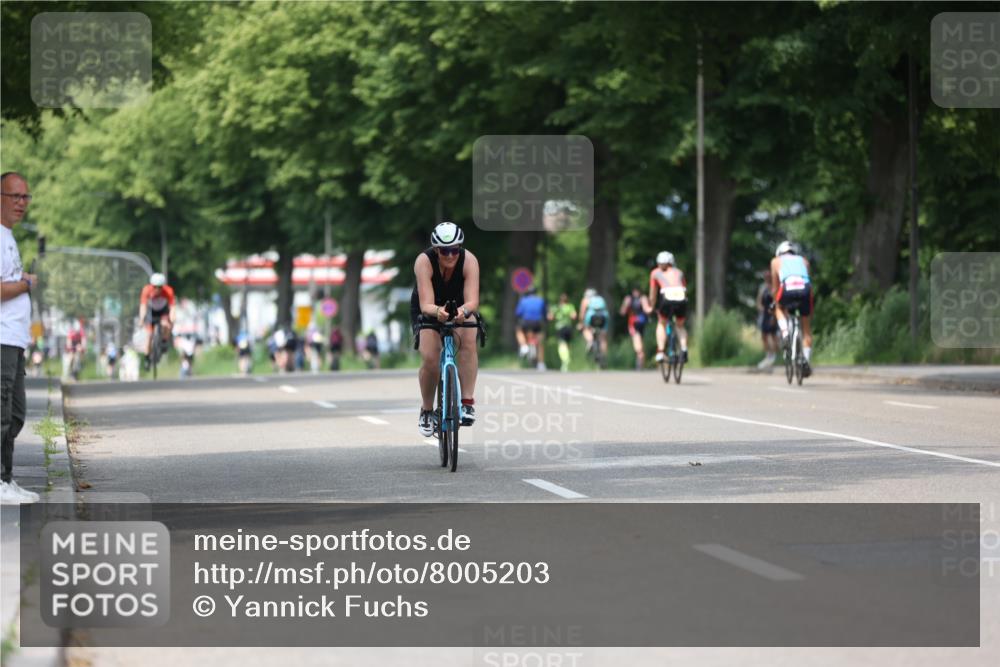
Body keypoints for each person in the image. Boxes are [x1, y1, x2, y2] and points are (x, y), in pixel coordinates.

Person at [410, 222, 480, 437]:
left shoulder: (469, 261)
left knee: (468, 342)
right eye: (444, 251)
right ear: (436, 249)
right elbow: (426, 305)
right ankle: (427, 410)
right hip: (430, 306)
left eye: (454, 250)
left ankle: (466, 402)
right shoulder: (424, 261)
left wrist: (463, 311)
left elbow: (472, 302)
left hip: (461, 306)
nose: (450, 256)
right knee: (430, 358)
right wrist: (438, 311)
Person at [0, 171, 40, 503]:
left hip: (14, 339)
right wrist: (26, 284)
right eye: (14, 196)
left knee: (15, 414)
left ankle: (5, 478)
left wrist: (20, 278)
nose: (21, 203)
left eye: (25, 197)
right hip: (1, 339)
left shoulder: (8, 237)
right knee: (1, 414)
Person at [771, 240, 814, 376]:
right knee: (806, 330)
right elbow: (808, 281)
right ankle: (805, 360)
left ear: (779, 253)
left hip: (787, 288)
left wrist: (774, 303)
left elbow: (775, 287)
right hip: (805, 290)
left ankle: (785, 333)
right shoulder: (804, 261)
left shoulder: (776, 261)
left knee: (778, 308)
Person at [649, 251, 688, 364]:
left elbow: (653, 294)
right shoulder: (679, 272)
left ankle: (661, 352)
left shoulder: (655, 273)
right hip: (681, 296)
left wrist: (651, 307)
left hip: (666, 296)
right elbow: (684, 289)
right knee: (680, 326)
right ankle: (684, 348)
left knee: (662, 323)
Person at [139, 272, 176, 370]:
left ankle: (164, 341)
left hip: (163, 311)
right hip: (151, 312)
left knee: (166, 324)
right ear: (152, 286)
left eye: (159, 287)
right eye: (155, 287)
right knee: (149, 336)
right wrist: (141, 319)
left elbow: (172, 308)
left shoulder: (168, 291)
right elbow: (143, 307)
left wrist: (172, 320)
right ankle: (147, 359)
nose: (157, 289)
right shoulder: (146, 290)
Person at [515, 287, 547, 370]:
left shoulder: (523, 300)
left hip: (526, 322)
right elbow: (544, 313)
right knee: (540, 342)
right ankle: (541, 363)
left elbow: (518, 313)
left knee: (519, 331)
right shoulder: (541, 300)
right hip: (537, 323)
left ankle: (524, 346)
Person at [620, 287, 651, 370]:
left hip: (634, 323)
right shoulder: (643, 298)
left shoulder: (629, 299)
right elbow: (647, 309)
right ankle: (641, 359)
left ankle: (640, 356)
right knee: (640, 340)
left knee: (637, 341)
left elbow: (622, 311)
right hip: (642, 322)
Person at [756, 268, 779, 370]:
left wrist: (774, 315)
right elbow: (759, 301)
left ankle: (774, 357)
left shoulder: (774, 287)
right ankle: (768, 355)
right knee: (764, 336)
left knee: (773, 335)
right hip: (765, 313)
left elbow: (776, 301)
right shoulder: (763, 288)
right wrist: (761, 309)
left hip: (773, 313)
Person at [548, 293, 577, 372]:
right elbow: (574, 316)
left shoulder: (556, 307)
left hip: (560, 327)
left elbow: (550, 317)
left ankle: (565, 360)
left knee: (561, 344)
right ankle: (567, 360)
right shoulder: (570, 307)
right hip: (568, 327)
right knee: (568, 345)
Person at [578, 288, 610, 361]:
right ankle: (604, 357)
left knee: (585, 329)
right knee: (603, 338)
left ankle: (590, 341)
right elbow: (606, 309)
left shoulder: (585, 300)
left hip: (591, 316)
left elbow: (582, 313)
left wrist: (581, 323)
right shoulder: (601, 299)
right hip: (603, 317)